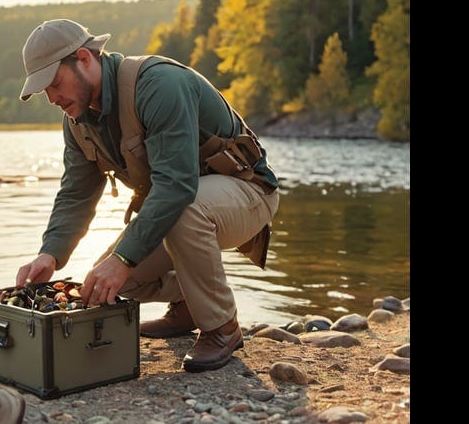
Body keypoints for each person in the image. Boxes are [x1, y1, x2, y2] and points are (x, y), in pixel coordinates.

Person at [14, 19, 279, 373]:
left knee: (163, 227)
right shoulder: (77, 121)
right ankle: (188, 307)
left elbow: (176, 187)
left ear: (84, 59)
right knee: (109, 281)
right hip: (187, 205)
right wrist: (50, 253)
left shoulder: (158, 85)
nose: (52, 98)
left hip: (248, 191)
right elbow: (76, 192)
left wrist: (124, 257)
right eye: (44, 91)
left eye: (55, 83)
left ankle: (221, 327)